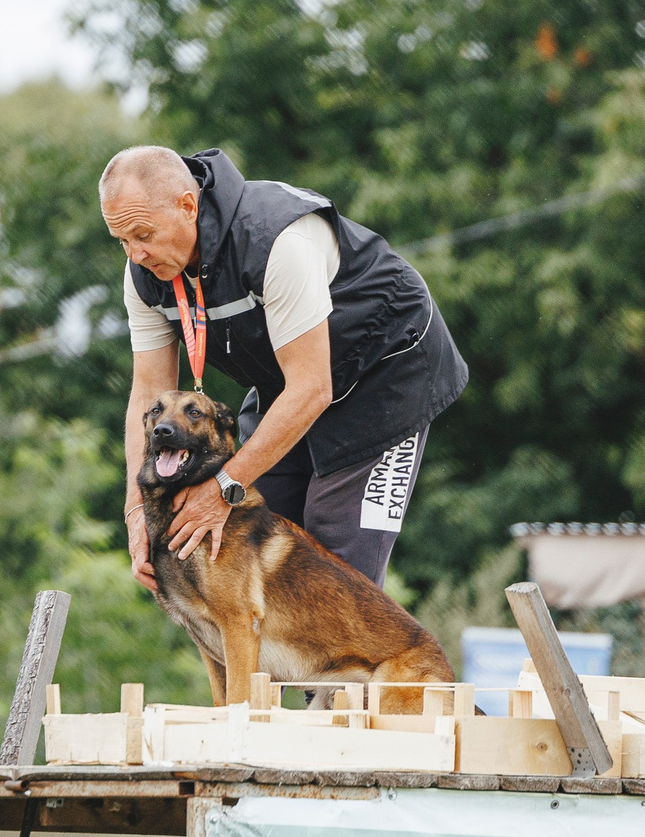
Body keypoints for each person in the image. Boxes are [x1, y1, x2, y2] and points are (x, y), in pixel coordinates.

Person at [100, 145, 467, 588]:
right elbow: (149, 396)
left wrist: (223, 487)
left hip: (384, 373)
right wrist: (138, 508)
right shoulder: (144, 273)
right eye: (122, 241)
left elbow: (312, 388)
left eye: (143, 234)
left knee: (334, 572)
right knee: (247, 544)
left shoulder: (275, 241)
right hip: (288, 382)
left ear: (188, 206)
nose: (135, 254)